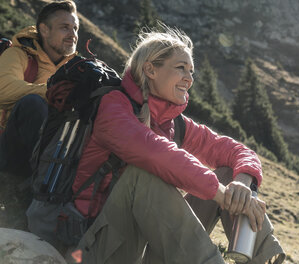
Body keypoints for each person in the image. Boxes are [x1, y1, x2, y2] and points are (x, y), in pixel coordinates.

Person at [72, 26, 285, 263]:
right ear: (150, 69)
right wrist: (222, 195)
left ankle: (265, 258)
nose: (189, 79)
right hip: (97, 247)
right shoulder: (114, 108)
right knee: (140, 175)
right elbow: (155, 153)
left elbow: (237, 150)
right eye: (181, 68)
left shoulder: (174, 122)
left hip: (147, 249)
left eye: (192, 71)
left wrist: (242, 183)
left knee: (228, 174)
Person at [0, 0, 79, 176]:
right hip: (7, 151)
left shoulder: (75, 68)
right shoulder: (17, 54)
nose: (72, 34)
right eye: (65, 27)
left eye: (75, 29)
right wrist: (52, 92)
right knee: (32, 104)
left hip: (52, 151)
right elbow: (3, 90)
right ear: (44, 30)